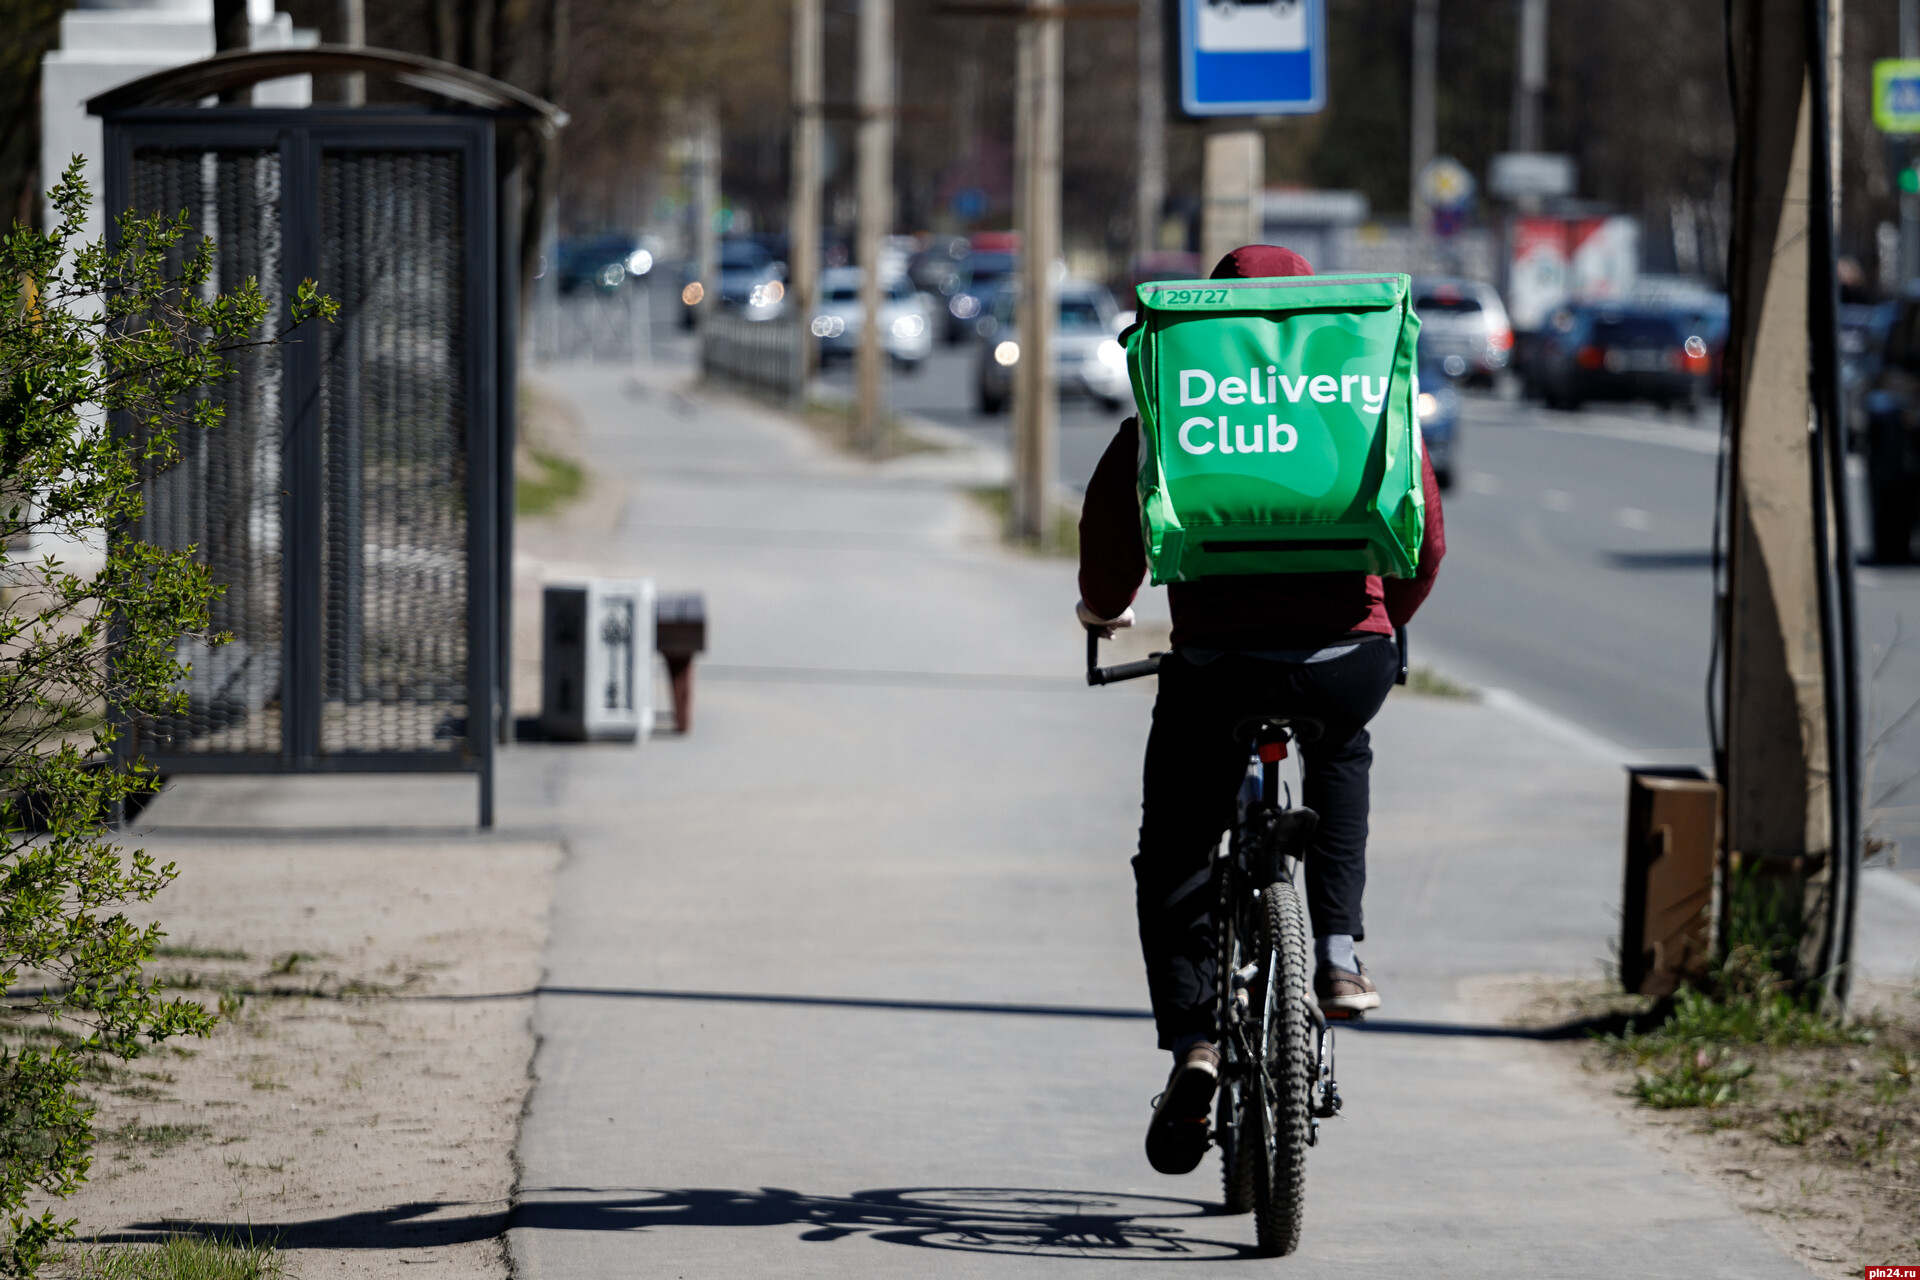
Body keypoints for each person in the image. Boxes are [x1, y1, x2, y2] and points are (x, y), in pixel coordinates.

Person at [1076, 244, 1446, 1176]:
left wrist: (1105, 609)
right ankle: (1338, 952)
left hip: (1219, 669)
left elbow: (1110, 538)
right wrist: (1380, 626)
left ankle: (1196, 1044)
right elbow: (1427, 541)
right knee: (1343, 750)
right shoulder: (1363, 401)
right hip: (1345, 663)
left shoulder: (1177, 402)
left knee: (1173, 848)